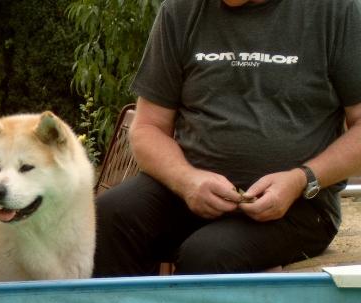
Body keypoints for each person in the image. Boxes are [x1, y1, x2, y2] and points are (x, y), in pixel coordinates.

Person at [93, 0, 361, 276]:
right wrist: (186, 180)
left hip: (298, 205)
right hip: (190, 191)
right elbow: (148, 127)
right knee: (108, 218)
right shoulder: (179, 10)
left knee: (209, 255)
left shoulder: (335, 10)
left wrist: (301, 178)